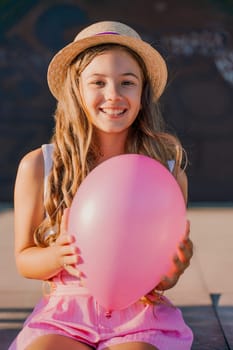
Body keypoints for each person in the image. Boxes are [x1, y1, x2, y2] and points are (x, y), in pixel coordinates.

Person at [9, 21, 193, 350]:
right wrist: (58, 255)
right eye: (98, 82)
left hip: (140, 319)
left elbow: (163, 279)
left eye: (127, 82)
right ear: (76, 90)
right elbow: (24, 260)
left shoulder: (166, 173)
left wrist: (173, 270)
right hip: (65, 317)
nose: (113, 95)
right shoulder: (40, 167)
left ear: (142, 93)